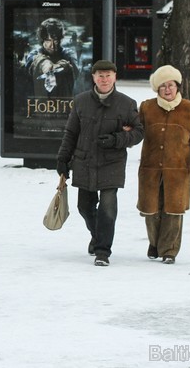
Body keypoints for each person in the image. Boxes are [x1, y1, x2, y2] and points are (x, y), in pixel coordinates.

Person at [56, 60, 144, 266]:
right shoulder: (81, 101)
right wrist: (62, 159)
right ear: (93, 78)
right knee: (84, 207)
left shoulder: (126, 103)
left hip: (111, 163)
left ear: (115, 77)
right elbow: (71, 132)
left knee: (107, 208)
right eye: (100, 76)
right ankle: (97, 236)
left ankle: (102, 251)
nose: (104, 80)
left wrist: (117, 140)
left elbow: (139, 132)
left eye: (108, 75)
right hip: (84, 161)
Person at [136, 65, 190, 265]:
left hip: (177, 172)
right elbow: (134, 131)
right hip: (150, 170)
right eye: (162, 87)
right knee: (151, 211)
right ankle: (155, 243)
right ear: (156, 90)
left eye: (171, 85)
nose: (167, 90)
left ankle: (169, 250)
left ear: (178, 86)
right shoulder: (147, 108)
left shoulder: (189, 109)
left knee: (173, 211)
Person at [26, 18, 78, 97]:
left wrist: (59, 66)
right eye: (48, 40)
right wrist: (44, 63)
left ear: (60, 39)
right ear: (42, 40)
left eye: (56, 40)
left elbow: (74, 69)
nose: (52, 45)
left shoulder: (68, 54)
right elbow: (32, 61)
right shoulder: (34, 54)